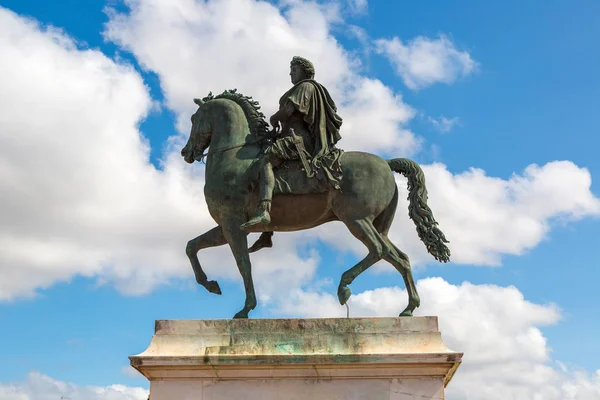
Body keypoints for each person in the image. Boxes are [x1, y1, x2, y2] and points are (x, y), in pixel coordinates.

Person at [241, 56, 343, 231]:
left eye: (294, 70)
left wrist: (274, 117)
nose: (290, 73)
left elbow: (289, 111)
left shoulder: (305, 86)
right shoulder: (305, 88)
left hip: (297, 141)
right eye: (291, 70)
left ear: (304, 71)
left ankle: (264, 210)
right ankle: (267, 233)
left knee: (266, 161)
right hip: (290, 137)